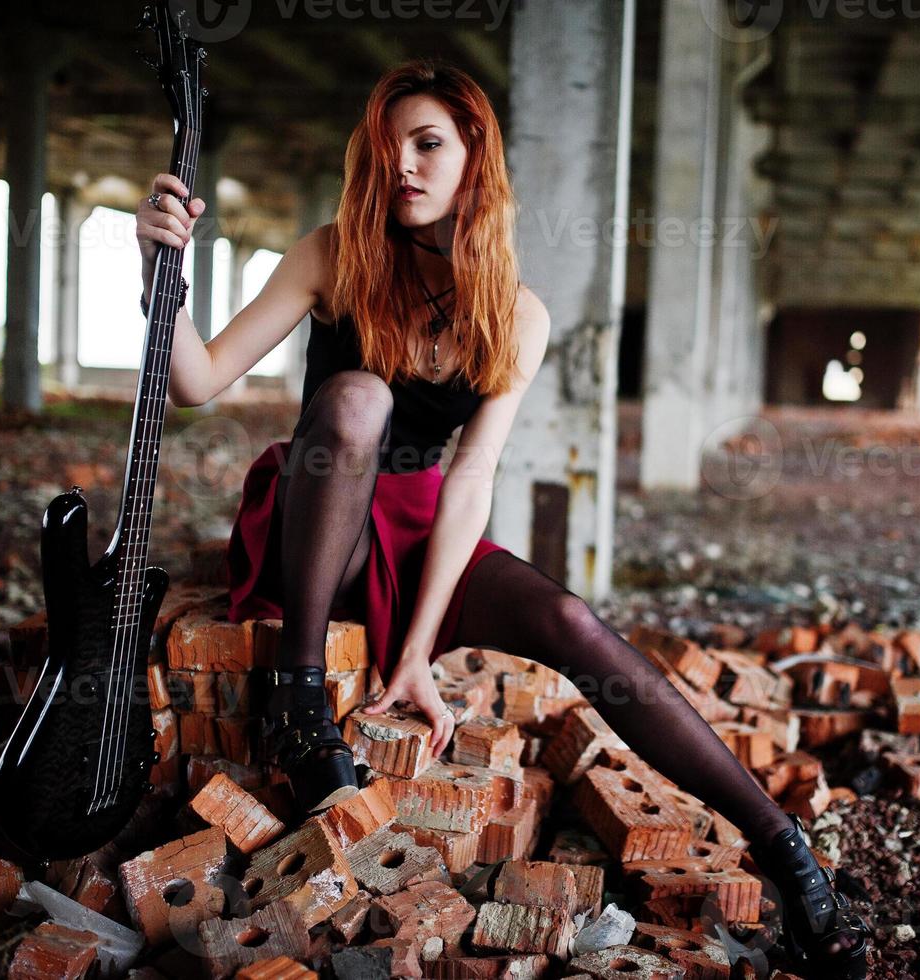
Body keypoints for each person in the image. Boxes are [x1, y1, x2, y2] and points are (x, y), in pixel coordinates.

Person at [136, 58, 870, 979]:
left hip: (419, 531)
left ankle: (783, 851)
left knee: (568, 620)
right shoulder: (333, 254)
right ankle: (296, 705)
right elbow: (196, 381)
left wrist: (416, 649)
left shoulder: (515, 314)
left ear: (473, 157)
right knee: (357, 396)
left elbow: (470, 476)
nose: (402, 164)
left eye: (428, 143)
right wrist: (160, 270)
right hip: (323, 523)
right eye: (387, 146)